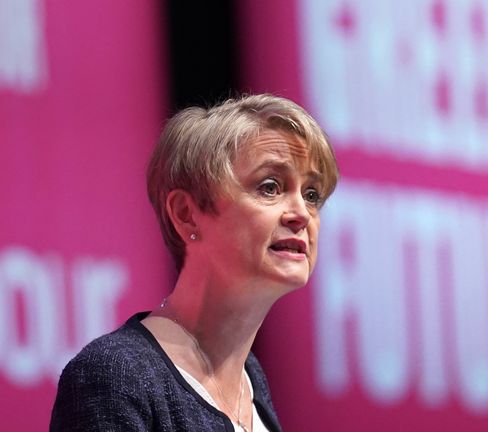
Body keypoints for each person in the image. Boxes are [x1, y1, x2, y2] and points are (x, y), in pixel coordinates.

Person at [50, 94, 339, 431]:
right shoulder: (115, 377)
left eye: (312, 194)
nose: (301, 214)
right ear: (187, 215)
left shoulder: (251, 381)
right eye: (270, 187)